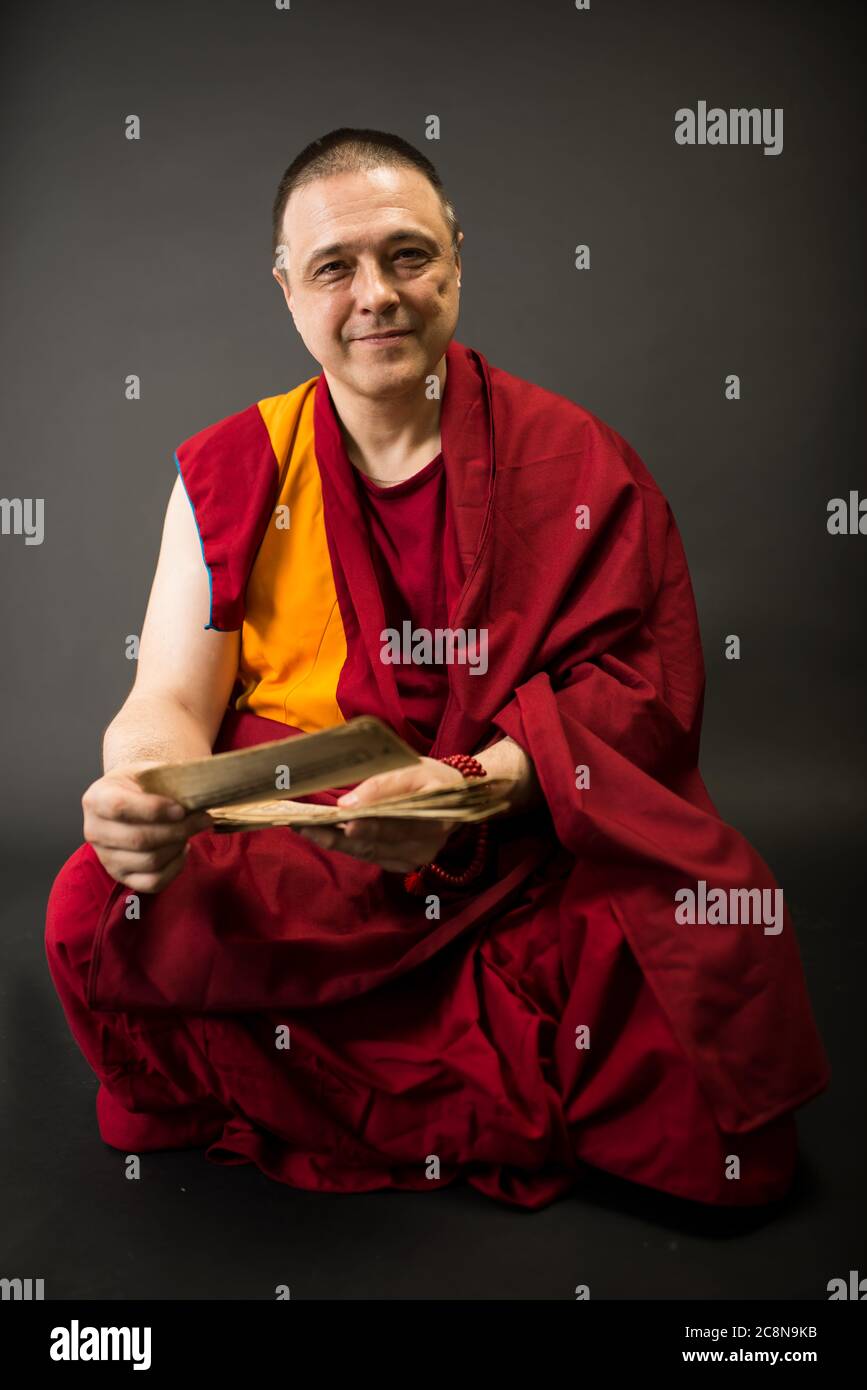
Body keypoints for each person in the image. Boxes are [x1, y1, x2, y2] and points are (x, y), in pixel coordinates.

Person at [45, 127, 830, 1211]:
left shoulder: (574, 458)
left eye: (407, 255)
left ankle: (331, 1092)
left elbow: (636, 698)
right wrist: (140, 789)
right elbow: (168, 702)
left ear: (456, 257)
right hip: (313, 847)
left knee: (705, 944)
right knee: (99, 904)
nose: (376, 295)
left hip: (510, 853)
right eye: (334, 268)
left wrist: (470, 791)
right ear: (286, 292)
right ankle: (476, 1102)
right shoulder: (235, 467)